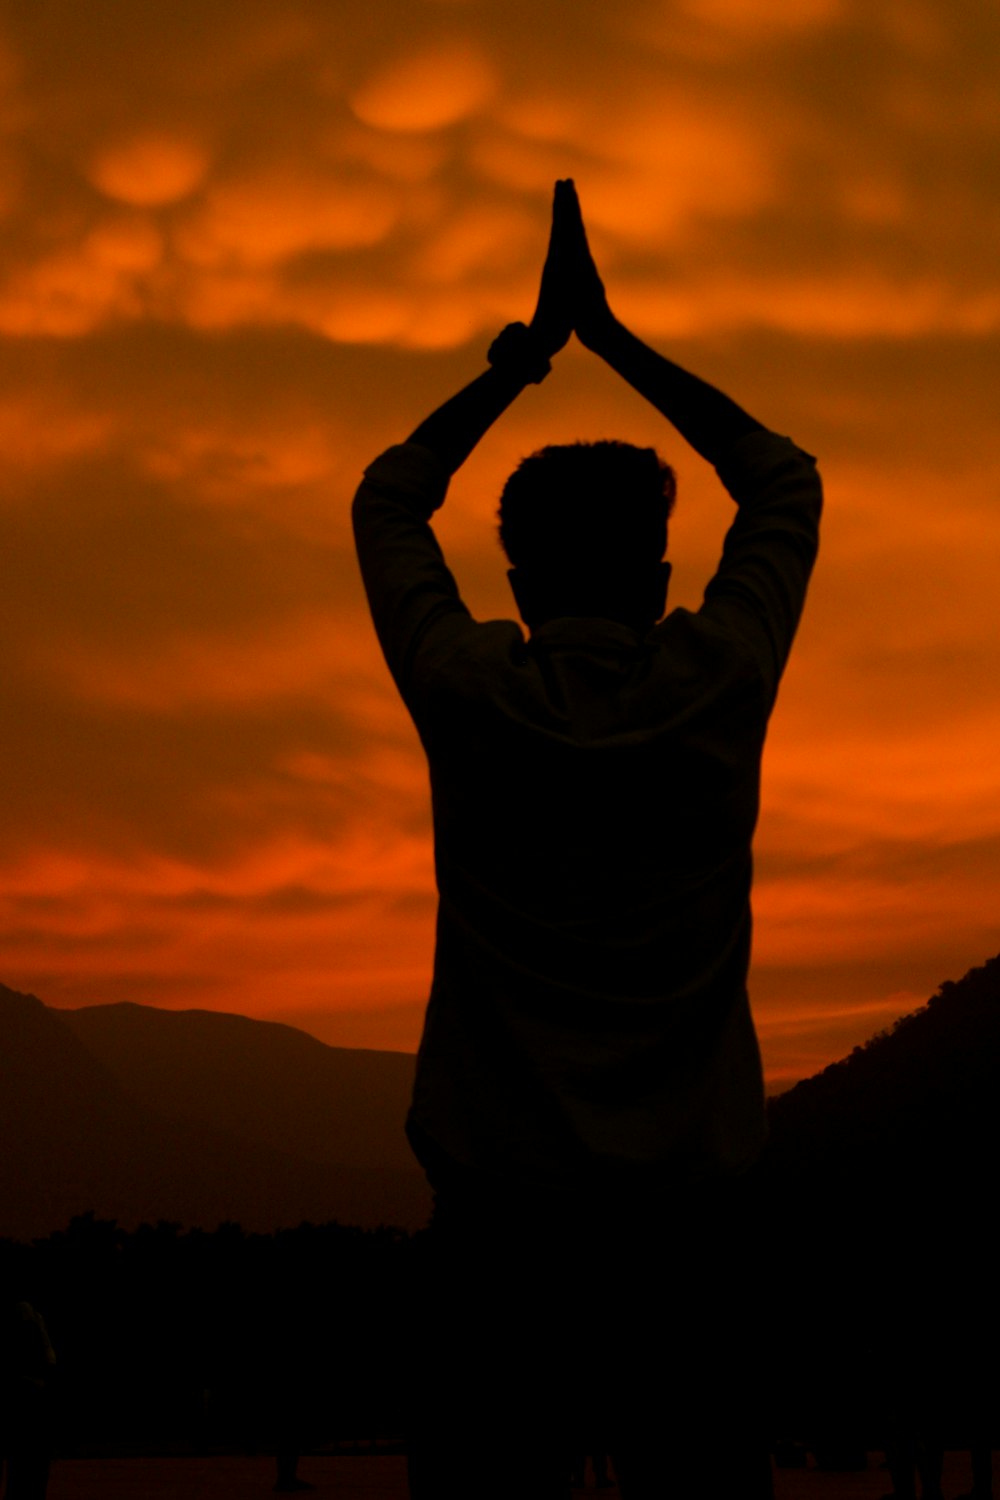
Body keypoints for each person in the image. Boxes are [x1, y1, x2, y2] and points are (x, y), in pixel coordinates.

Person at [352, 179, 822, 1500]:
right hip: (689, 1250)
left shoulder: (468, 693)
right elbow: (782, 479)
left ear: (515, 580)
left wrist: (517, 367)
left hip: (500, 1250)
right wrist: (612, 340)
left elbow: (389, 501)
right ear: (664, 576)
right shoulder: (720, 678)